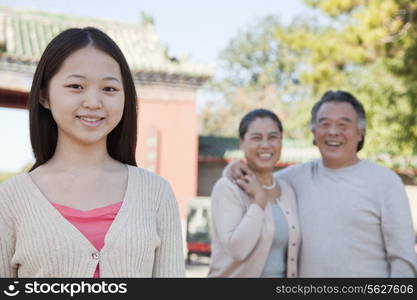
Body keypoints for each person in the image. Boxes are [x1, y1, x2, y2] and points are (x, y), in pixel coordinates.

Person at [0, 27, 185, 278]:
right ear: (44, 96)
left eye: (109, 89)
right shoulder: (9, 200)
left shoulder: (157, 194)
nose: (93, 102)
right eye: (76, 86)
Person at [228, 91, 417, 277]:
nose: (333, 132)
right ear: (314, 132)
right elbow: (257, 181)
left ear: (360, 133)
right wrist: (234, 168)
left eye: (343, 125)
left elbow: (403, 259)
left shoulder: (385, 182)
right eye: (324, 124)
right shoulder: (291, 179)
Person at [208, 109, 301, 278]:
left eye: (273, 137)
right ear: (242, 143)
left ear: (281, 142)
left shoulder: (287, 189)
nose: (265, 145)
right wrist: (259, 201)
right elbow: (237, 249)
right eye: (256, 138)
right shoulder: (228, 188)